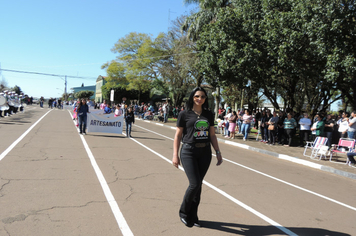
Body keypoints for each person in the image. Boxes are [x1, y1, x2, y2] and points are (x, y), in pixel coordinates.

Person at [172, 87, 223, 228]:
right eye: (197, 96)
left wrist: (217, 152)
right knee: (194, 184)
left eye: (202, 97)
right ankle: (184, 212)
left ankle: (193, 216)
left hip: (205, 152)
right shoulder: (184, 114)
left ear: (206, 99)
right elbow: (178, 136)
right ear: (192, 97)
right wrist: (175, 155)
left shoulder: (208, 114)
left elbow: (212, 134)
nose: (199, 99)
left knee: (198, 186)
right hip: (188, 151)